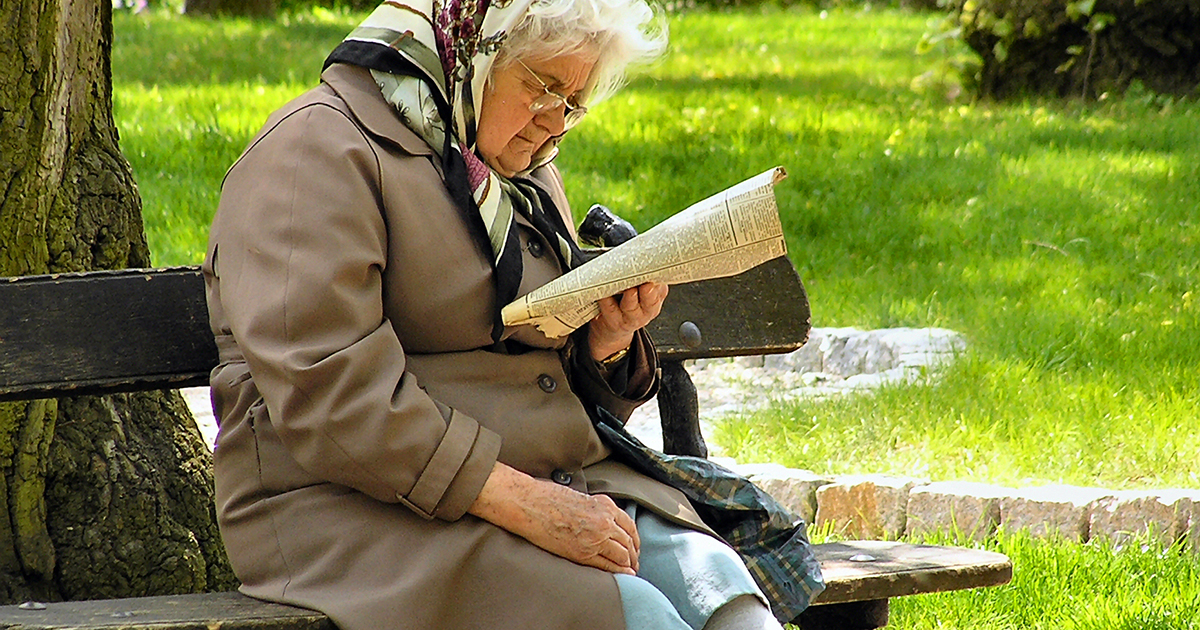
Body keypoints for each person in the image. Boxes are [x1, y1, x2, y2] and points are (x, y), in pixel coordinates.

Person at [202, 0, 822, 628]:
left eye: (574, 103)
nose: (554, 124)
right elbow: (330, 397)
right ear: (476, 48)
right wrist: (527, 505)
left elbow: (544, 374)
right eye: (543, 87)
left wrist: (606, 339)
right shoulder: (316, 151)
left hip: (551, 483)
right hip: (360, 514)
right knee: (630, 613)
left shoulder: (511, 166)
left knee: (721, 590)